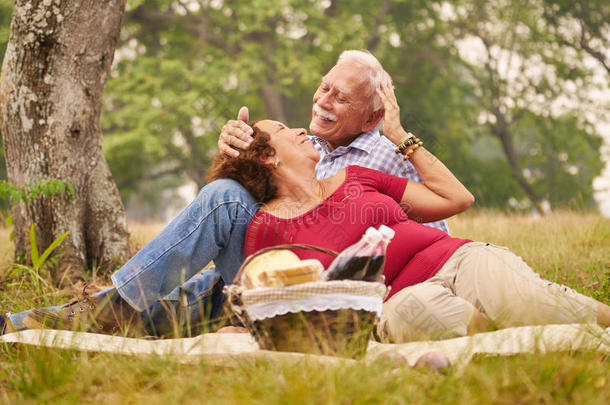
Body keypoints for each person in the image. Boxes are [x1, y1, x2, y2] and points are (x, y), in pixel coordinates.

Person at [0, 50, 449, 336]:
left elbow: (433, 228)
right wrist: (241, 157)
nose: (322, 101)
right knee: (186, 294)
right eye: (323, 87)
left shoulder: (382, 152)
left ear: (372, 117)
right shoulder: (316, 152)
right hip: (270, 276)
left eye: (341, 97)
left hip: (325, 292)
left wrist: (401, 136)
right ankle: (31, 324)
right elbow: (278, 210)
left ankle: (111, 303)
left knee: (225, 200)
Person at [206, 95, 610, 342]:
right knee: (430, 315)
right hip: (393, 302)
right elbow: (267, 300)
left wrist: (399, 134)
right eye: (282, 129)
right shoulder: (267, 227)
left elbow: (457, 197)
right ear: (267, 156)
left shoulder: (356, 176)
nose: (298, 129)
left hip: (456, 261)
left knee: (529, 302)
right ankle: (509, 347)